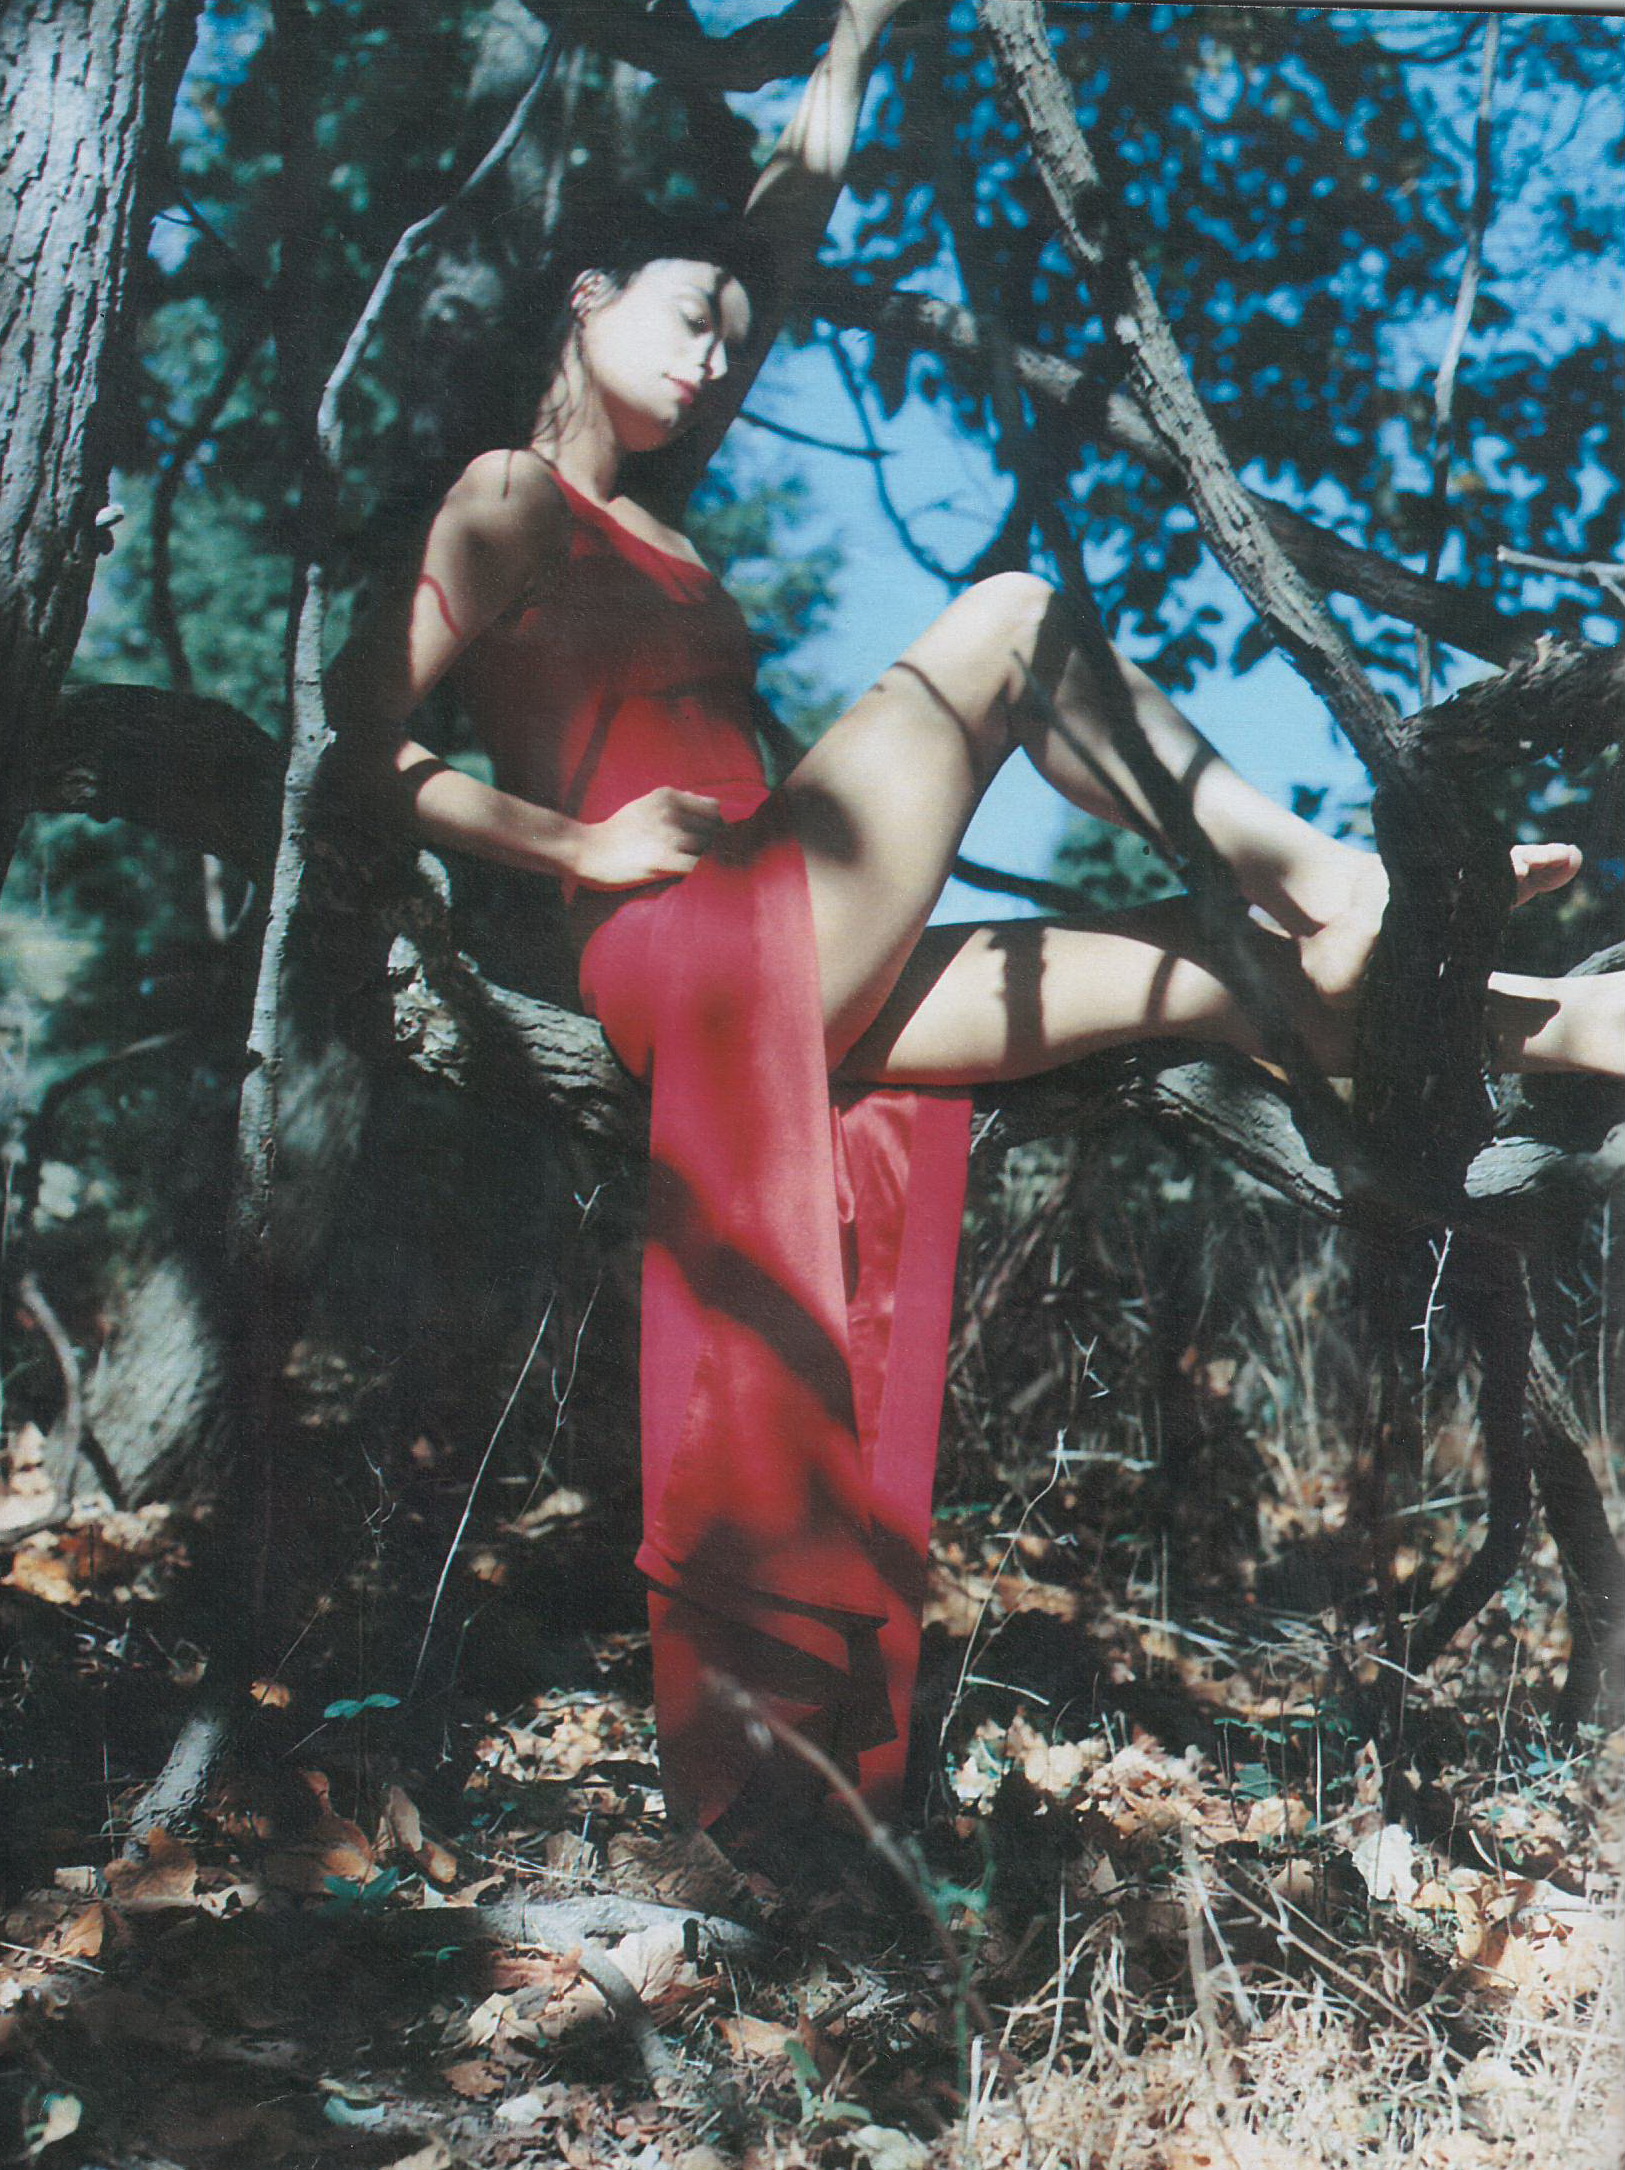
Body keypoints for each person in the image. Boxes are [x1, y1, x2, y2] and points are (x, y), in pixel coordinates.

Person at [331, 0, 1621, 1838]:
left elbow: (783, 225)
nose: (715, 356)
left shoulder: (669, 507)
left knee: (1219, 974)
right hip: (689, 946)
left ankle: (1549, 1020)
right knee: (1011, 619)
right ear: (583, 294)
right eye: (686, 319)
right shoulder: (511, 498)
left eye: (736, 337)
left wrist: (854, 39)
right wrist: (571, 846)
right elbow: (354, 745)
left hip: (794, 945)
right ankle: (1346, 874)